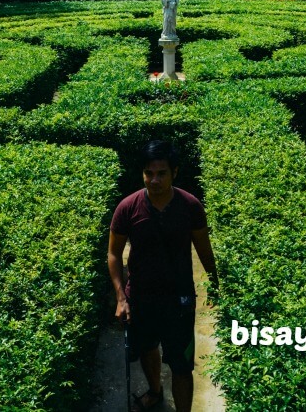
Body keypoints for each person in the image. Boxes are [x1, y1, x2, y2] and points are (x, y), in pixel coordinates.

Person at [108, 140, 218, 412]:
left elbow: (204, 249)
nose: (154, 180)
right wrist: (121, 297)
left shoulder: (190, 206)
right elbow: (113, 254)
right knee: (147, 348)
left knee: (181, 365)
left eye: (161, 173)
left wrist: (215, 284)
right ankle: (155, 391)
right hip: (142, 296)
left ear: (175, 172)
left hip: (179, 298)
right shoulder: (128, 208)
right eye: (148, 173)